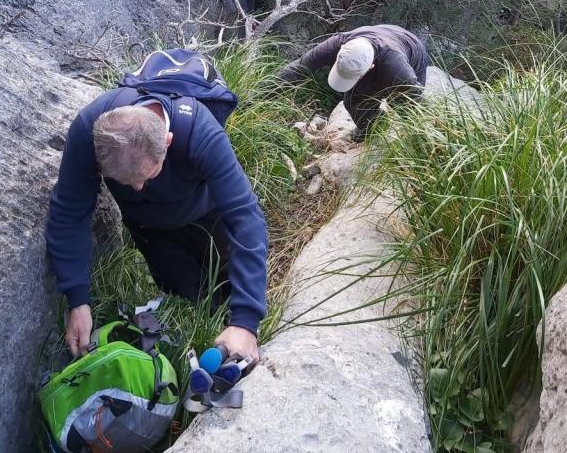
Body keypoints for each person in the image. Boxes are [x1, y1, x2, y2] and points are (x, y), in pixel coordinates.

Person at [44, 77, 266, 364]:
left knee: (229, 278)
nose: (137, 188)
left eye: (147, 176)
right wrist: (78, 300)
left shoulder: (199, 131)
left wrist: (246, 321)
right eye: (125, 182)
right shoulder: (88, 129)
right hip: (151, 228)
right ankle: (213, 336)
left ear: (167, 142)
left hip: (209, 215)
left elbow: (245, 217)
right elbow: (69, 212)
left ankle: (243, 334)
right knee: (188, 293)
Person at [277, 24, 429, 137]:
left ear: (370, 67)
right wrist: (257, 95)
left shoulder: (397, 70)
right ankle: (372, 130)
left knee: (404, 108)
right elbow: (297, 69)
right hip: (383, 35)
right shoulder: (337, 44)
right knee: (353, 101)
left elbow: (417, 105)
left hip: (411, 48)